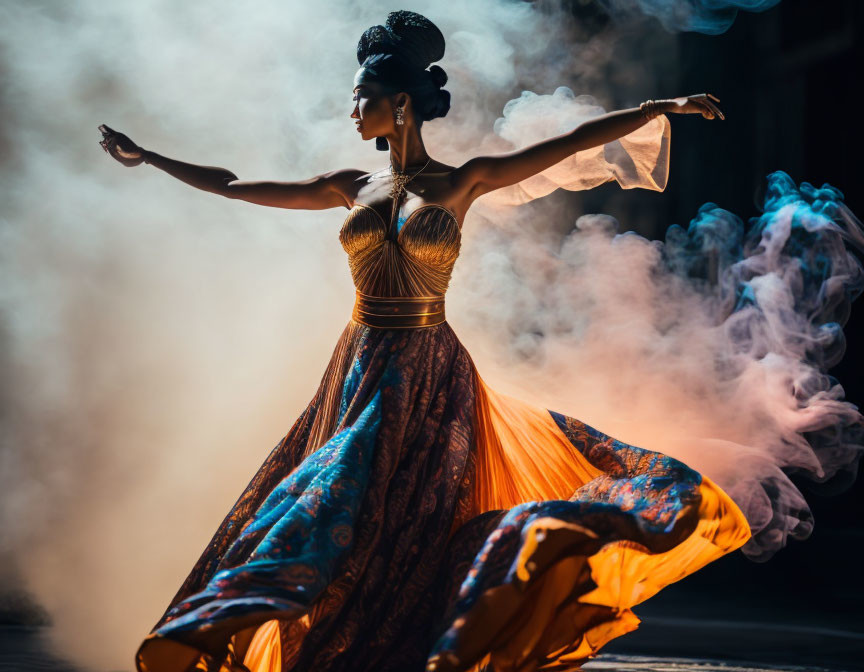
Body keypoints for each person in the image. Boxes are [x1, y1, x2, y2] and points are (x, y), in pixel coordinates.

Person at [99, 10, 748, 672]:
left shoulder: (460, 181)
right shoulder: (349, 187)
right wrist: (148, 157)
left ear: (399, 103)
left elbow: (573, 142)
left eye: (363, 96)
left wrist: (659, 106)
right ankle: (245, 621)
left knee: (401, 514)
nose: (352, 109)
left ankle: (386, 643)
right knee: (330, 501)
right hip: (360, 368)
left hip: (430, 373)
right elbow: (235, 185)